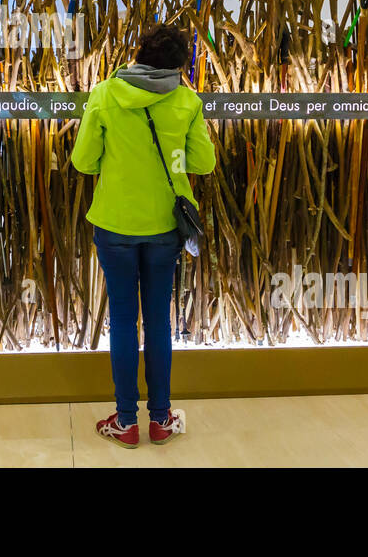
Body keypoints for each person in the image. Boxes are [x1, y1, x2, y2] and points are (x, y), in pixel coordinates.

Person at [70, 23, 215, 448]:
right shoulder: (187, 101)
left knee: (122, 322)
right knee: (157, 322)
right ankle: (162, 418)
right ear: (179, 63)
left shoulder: (105, 94)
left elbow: (83, 161)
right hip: (165, 228)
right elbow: (203, 163)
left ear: (139, 52)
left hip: (114, 224)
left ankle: (126, 420)